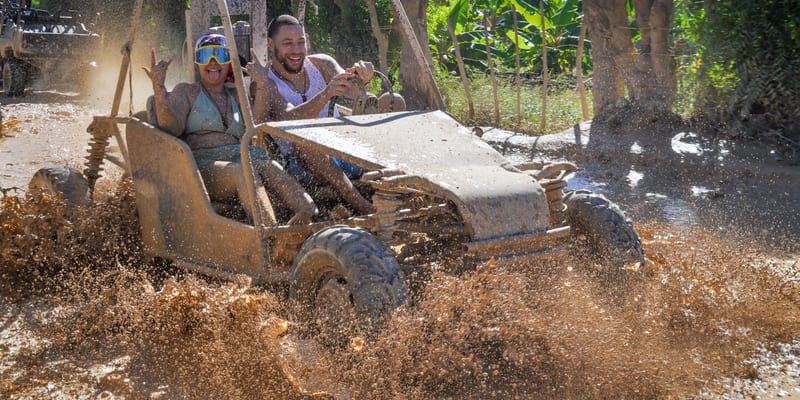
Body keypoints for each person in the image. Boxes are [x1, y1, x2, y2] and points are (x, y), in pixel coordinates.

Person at [142, 32, 317, 224]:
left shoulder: (237, 95)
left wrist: (262, 84)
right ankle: (270, 235)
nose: (213, 62)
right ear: (197, 62)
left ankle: (309, 218)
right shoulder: (187, 92)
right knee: (242, 172)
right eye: (205, 56)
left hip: (243, 156)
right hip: (203, 165)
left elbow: (255, 127)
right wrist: (159, 88)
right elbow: (170, 129)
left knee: (271, 166)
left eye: (221, 56)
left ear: (230, 63)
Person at [249, 14, 407, 215]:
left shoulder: (321, 63)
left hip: (344, 148)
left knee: (393, 101)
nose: (296, 50)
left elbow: (355, 93)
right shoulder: (265, 82)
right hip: (303, 161)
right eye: (287, 43)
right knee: (305, 143)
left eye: (301, 42)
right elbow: (289, 119)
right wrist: (326, 94)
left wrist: (363, 78)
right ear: (271, 45)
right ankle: (363, 207)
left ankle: (405, 187)